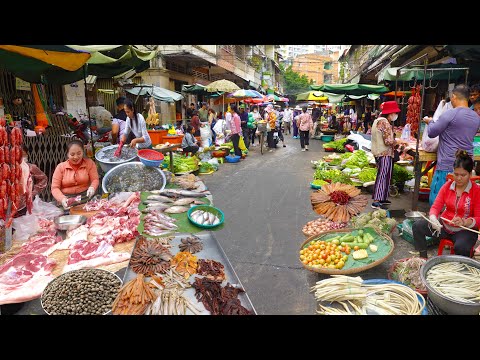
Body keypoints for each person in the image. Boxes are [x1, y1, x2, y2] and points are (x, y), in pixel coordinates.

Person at [413, 150, 480, 258]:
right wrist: (433, 218)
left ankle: (460, 269)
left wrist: (464, 222)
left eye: (463, 175)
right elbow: (435, 207)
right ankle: (423, 259)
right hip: (444, 227)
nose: (458, 178)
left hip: (464, 231)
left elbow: (478, 218)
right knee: (417, 226)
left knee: (461, 247)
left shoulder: (476, 191)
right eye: (456, 174)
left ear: (470, 174)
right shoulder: (447, 186)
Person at [424, 84, 480, 206]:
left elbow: (432, 133)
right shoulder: (476, 117)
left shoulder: (450, 114)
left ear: (454, 97)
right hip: (466, 166)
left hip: (448, 166)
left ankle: (438, 223)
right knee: (461, 202)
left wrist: (430, 122)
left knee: (439, 202)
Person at [371, 101, 406, 208]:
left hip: (378, 152)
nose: (396, 115)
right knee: (383, 175)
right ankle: (377, 200)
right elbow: (388, 141)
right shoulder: (385, 122)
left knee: (383, 175)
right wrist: (399, 142)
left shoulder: (377, 120)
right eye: (395, 113)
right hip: (384, 153)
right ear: (390, 113)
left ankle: (381, 198)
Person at [51, 139, 99, 209]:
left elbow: (95, 179)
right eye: (72, 154)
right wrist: (62, 199)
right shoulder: (60, 167)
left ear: (83, 152)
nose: (76, 157)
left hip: (85, 198)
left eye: (79, 153)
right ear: (67, 154)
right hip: (66, 200)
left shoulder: (89, 163)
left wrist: (92, 187)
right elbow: (55, 188)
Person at [17, 145, 48, 217]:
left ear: (27, 155)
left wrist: (33, 192)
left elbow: (43, 178)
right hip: (9, 206)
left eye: (23, 155)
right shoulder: (8, 168)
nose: (21, 157)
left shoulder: (30, 167)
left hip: (25, 205)